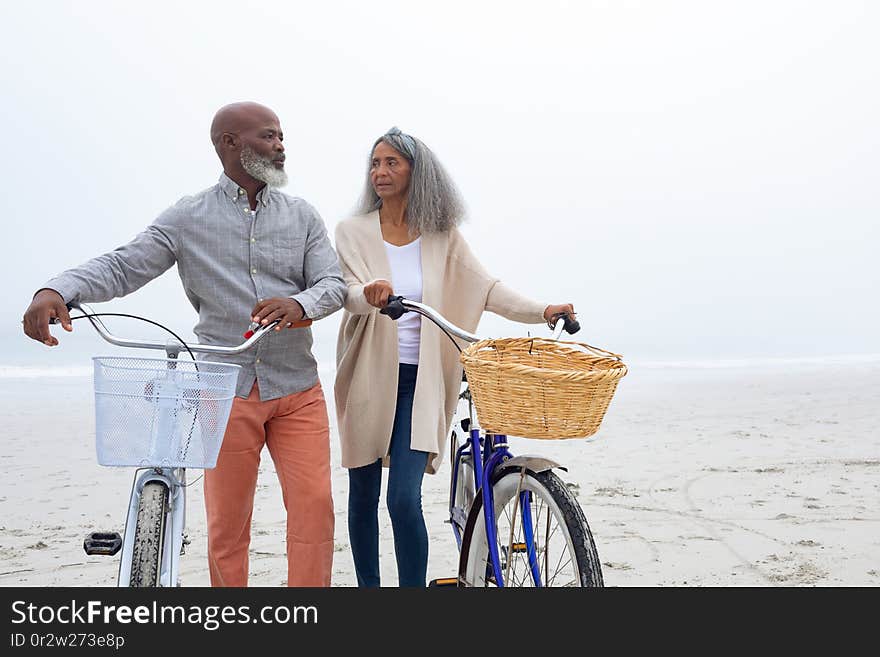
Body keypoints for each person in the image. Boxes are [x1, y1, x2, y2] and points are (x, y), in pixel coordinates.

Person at [21, 102, 345, 587]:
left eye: (281, 136)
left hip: (297, 390)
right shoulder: (188, 216)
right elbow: (123, 265)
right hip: (222, 389)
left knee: (314, 510)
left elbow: (333, 284)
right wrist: (57, 289)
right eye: (269, 136)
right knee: (227, 525)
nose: (281, 146)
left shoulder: (303, 216)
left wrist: (301, 305)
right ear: (229, 143)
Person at [334, 127, 575, 587]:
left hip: (421, 381)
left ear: (415, 171)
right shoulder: (352, 231)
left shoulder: (442, 235)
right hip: (366, 374)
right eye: (375, 163)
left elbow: (485, 288)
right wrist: (370, 293)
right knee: (362, 493)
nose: (380, 172)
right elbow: (345, 293)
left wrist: (542, 310)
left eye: (392, 163)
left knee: (403, 498)